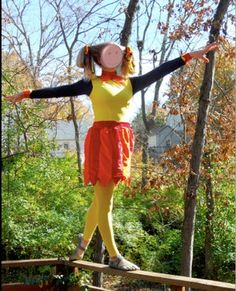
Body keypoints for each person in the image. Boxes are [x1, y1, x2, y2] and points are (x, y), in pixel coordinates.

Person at [5, 41, 218, 271]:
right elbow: (58, 91)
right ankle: (114, 257)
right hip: (101, 143)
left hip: (120, 145)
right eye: (109, 52)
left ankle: (81, 247)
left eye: (118, 51)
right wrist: (27, 94)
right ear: (98, 58)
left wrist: (188, 56)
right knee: (106, 202)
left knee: (100, 201)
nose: (115, 54)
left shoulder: (130, 83)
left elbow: (160, 71)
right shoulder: (91, 84)